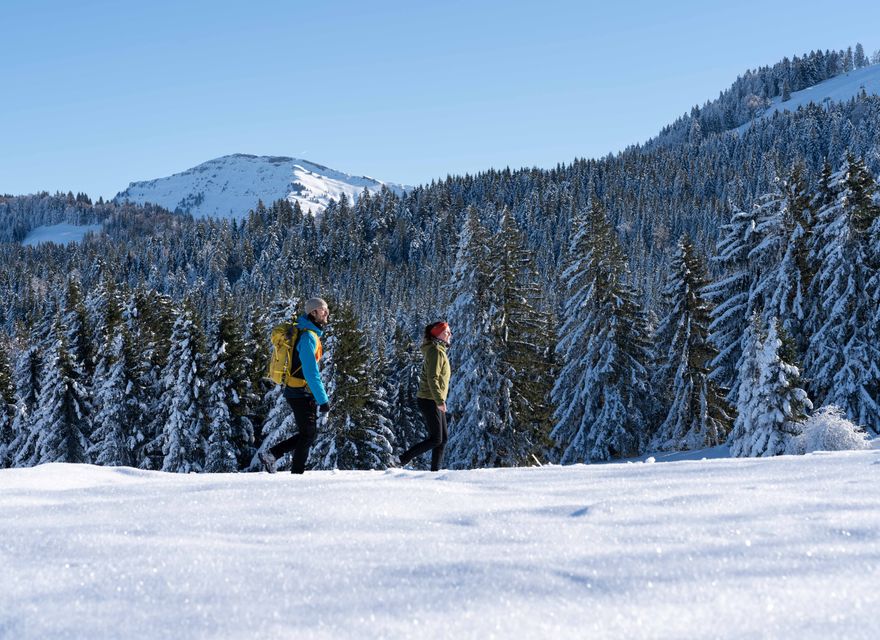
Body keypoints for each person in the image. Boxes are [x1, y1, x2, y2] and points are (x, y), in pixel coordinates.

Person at [259, 297, 331, 474]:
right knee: (308, 434)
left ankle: (273, 455)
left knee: (308, 434)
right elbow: (310, 371)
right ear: (313, 313)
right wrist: (323, 399)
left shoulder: (308, 333)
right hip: (299, 391)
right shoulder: (307, 337)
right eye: (323, 310)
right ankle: (296, 475)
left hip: (298, 390)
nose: (327, 313)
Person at [398, 321, 452, 471]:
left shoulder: (439, 351)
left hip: (434, 399)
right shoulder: (435, 351)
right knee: (436, 438)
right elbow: (432, 378)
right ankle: (401, 459)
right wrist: (440, 400)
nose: (449, 335)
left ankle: (435, 471)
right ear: (438, 334)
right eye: (446, 332)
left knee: (443, 439)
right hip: (430, 399)